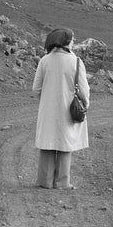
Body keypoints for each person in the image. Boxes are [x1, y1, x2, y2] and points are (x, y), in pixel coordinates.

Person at [32, 27, 89, 190]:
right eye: (73, 40)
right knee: (65, 144)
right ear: (67, 42)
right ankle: (62, 182)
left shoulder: (45, 60)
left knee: (47, 142)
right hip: (68, 109)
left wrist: (46, 101)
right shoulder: (76, 61)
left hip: (48, 109)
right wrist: (85, 105)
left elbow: (36, 89)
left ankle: (45, 181)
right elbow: (84, 90)